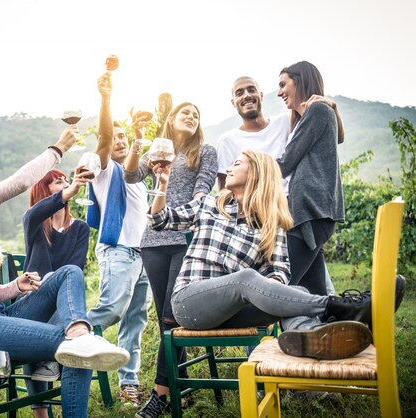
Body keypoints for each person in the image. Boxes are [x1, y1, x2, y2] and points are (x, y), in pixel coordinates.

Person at [0, 127, 129, 418]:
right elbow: (19, 183)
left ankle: (79, 330)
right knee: (76, 351)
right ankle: (78, 339)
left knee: (69, 273)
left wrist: (16, 286)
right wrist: (57, 149)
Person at [149, 150, 376, 363]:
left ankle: (315, 337)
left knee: (297, 292)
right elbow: (159, 220)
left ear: (256, 173)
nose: (228, 169)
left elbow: (279, 273)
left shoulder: (270, 225)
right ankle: (337, 307)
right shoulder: (208, 205)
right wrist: (163, 184)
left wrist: (271, 293)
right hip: (191, 304)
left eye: (236, 164)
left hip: (235, 312)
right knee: (246, 278)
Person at [124, 102, 217, 417]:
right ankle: (182, 386)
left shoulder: (205, 151)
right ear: (171, 119)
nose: (191, 116)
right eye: (185, 112)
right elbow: (129, 175)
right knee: (167, 320)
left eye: (196, 113)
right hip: (152, 240)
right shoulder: (158, 149)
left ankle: (160, 395)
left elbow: (202, 193)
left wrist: (183, 216)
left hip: (185, 239)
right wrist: (137, 137)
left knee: (170, 316)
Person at [216, 75, 345, 298]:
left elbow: (334, 137)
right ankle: (334, 315)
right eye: (239, 93)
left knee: (288, 285)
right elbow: (225, 190)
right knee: (288, 285)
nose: (246, 95)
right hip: (258, 223)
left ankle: (337, 316)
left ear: (260, 95)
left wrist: (331, 107)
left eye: (251, 90)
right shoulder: (227, 141)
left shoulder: (285, 122)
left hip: (293, 214)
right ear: (233, 102)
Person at [85, 72, 152, 406]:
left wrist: (139, 134)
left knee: (134, 321)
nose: (119, 140)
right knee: (111, 309)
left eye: (125, 138)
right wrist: (107, 99)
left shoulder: (136, 176)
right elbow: (104, 135)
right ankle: (63, 336)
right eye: (117, 137)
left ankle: (129, 384)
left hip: (144, 257)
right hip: (119, 252)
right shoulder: (104, 169)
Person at [21, 168, 91, 418]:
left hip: (64, 302)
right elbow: (35, 212)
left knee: (68, 277)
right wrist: (69, 190)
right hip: (35, 301)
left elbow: (76, 270)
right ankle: (42, 413)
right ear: (43, 190)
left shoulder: (80, 228)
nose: (64, 183)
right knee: (52, 282)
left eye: (65, 180)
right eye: (56, 182)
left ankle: (55, 356)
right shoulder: (34, 223)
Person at [276, 61, 344, 296]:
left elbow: (286, 162)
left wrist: (250, 173)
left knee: (281, 286)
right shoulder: (315, 113)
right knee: (315, 291)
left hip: (310, 211)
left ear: (301, 80)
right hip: (309, 212)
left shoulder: (317, 111)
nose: (279, 92)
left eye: (283, 84)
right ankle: (346, 322)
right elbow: (340, 138)